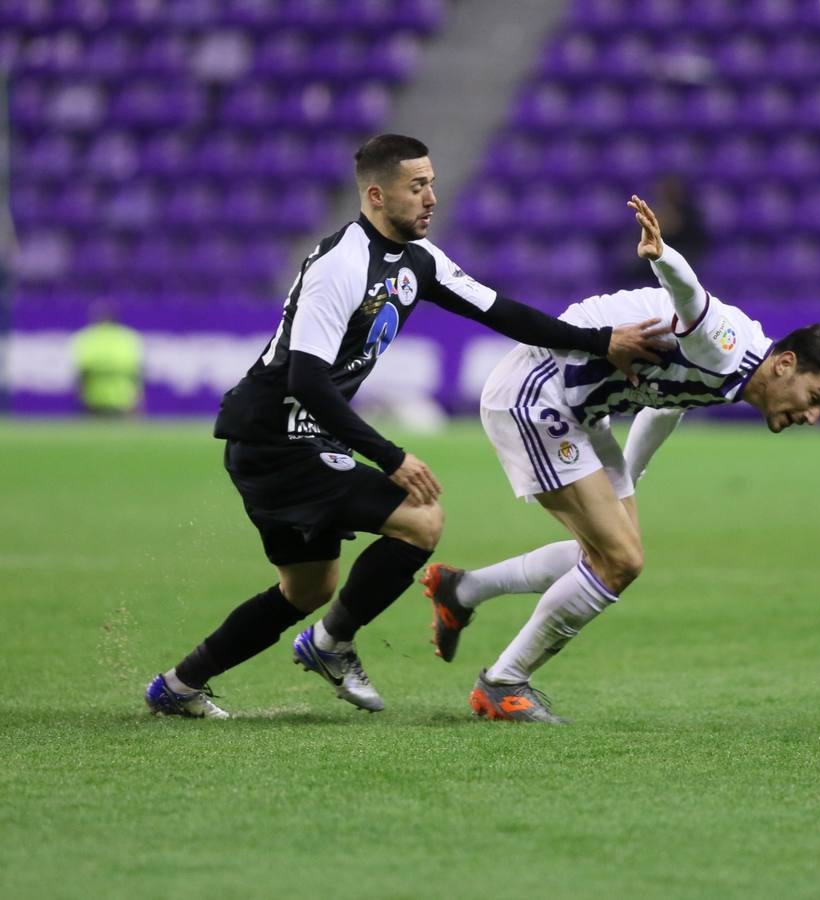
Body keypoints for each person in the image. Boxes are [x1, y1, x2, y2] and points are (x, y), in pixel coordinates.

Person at [144, 134, 670, 718]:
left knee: (308, 590)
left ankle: (179, 686)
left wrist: (601, 341)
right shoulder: (339, 265)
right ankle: (331, 644)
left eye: (433, 184)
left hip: (299, 440)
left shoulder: (421, 258)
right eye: (417, 187)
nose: (431, 198)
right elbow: (307, 382)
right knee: (420, 520)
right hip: (275, 440)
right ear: (376, 194)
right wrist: (391, 456)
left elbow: (501, 312)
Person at [419, 194, 820, 723]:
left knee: (609, 554)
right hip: (537, 395)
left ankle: (460, 589)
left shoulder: (734, 379)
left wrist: (628, 480)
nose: (810, 417)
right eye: (814, 400)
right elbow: (695, 300)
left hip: (583, 414)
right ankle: (503, 684)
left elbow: (666, 407)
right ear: (786, 364)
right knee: (620, 560)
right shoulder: (731, 344)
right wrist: (663, 255)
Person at [70, 303, 144, 416]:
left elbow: (81, 373)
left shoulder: (86, 337)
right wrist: (138, 400)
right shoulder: (128, 338)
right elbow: (136, 373)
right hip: (122, 400)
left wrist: (80, 397)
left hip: (94, 400)